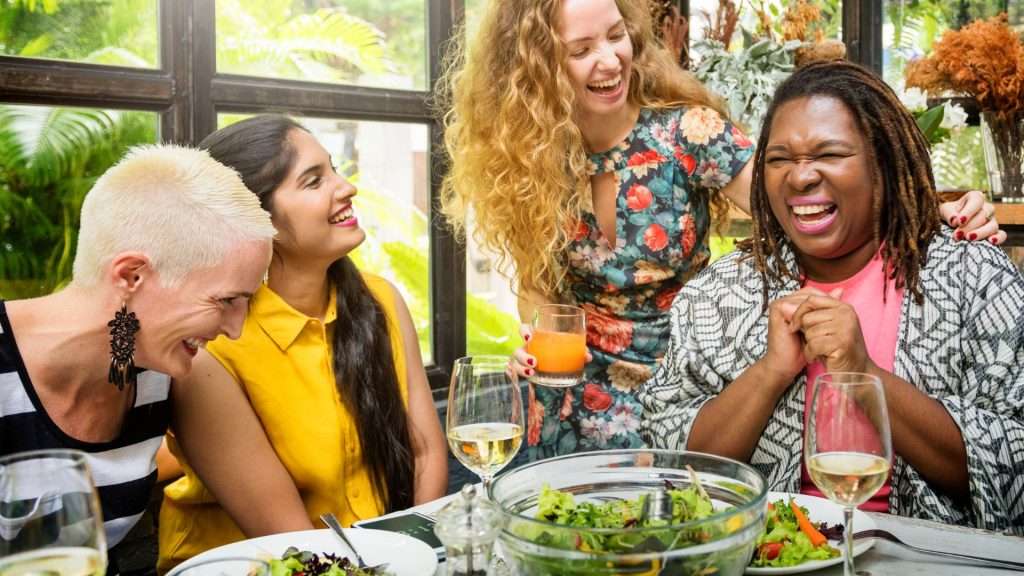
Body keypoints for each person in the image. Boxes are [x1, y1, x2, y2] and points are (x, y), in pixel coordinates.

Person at [438, 0, 1003, 461]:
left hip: (680, 403)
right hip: (566, 407)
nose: (609, 60)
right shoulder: (526, 161)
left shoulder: (688, 132)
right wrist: (534, 348)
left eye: (615, 36)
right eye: (581, 50)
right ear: (536, 67)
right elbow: (538, 291)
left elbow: (798, 198)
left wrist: (930, 211)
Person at [639, 60, 1023, 533]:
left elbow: (1012, 469)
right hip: (775, 554)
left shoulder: (972, 278)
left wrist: (862, 372)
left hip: (926, 557)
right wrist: (770, 372)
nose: (800, 177)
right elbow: (673, 462)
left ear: (882, 163)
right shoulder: (720, 294)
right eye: (779, 159)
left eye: (830, 153)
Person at [158, 115, 449, 571]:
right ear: (256, 219)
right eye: (314, 180)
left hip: (380, 559)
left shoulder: (381, 301)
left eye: (333, 169)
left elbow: (425, 452)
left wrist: (420, 553)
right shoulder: (212, 348)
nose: (347, 187)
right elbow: (291, 541)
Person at [0, 145, 277, 572]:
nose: (235, 329)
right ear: (131, 276)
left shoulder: (173, 369)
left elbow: (288, 537)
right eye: (225, 300)